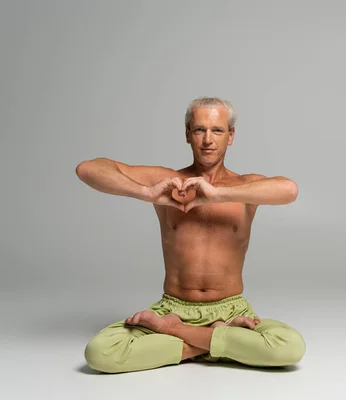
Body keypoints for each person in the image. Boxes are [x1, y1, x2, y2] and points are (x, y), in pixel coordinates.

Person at [76, 97, 306, 373]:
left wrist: (217, 194)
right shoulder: (168, 181)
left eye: (217, 130)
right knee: (100, 353)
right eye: (199, 130)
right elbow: (88, 169)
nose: (208, 139)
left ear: (230, 136)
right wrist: (147, 193)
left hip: (232, 310)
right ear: (187, 134)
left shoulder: (244, 187)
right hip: (173, 306)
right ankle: (218, 340)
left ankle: (172, 333)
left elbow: (289, 190)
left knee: (290, 347)